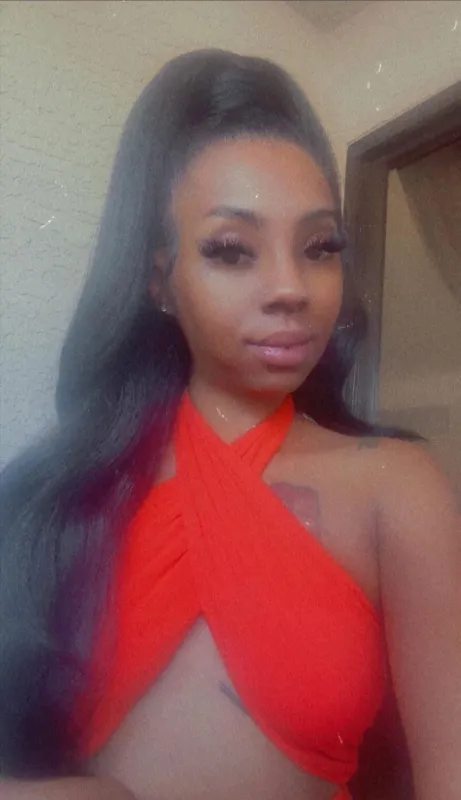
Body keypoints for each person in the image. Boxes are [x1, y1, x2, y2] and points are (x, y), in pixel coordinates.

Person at [0, 49, 460, 800]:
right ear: (159, 280)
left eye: (319, 248)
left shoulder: (395, 488)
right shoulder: (51, 502)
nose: (290, 288)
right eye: (231, 250)